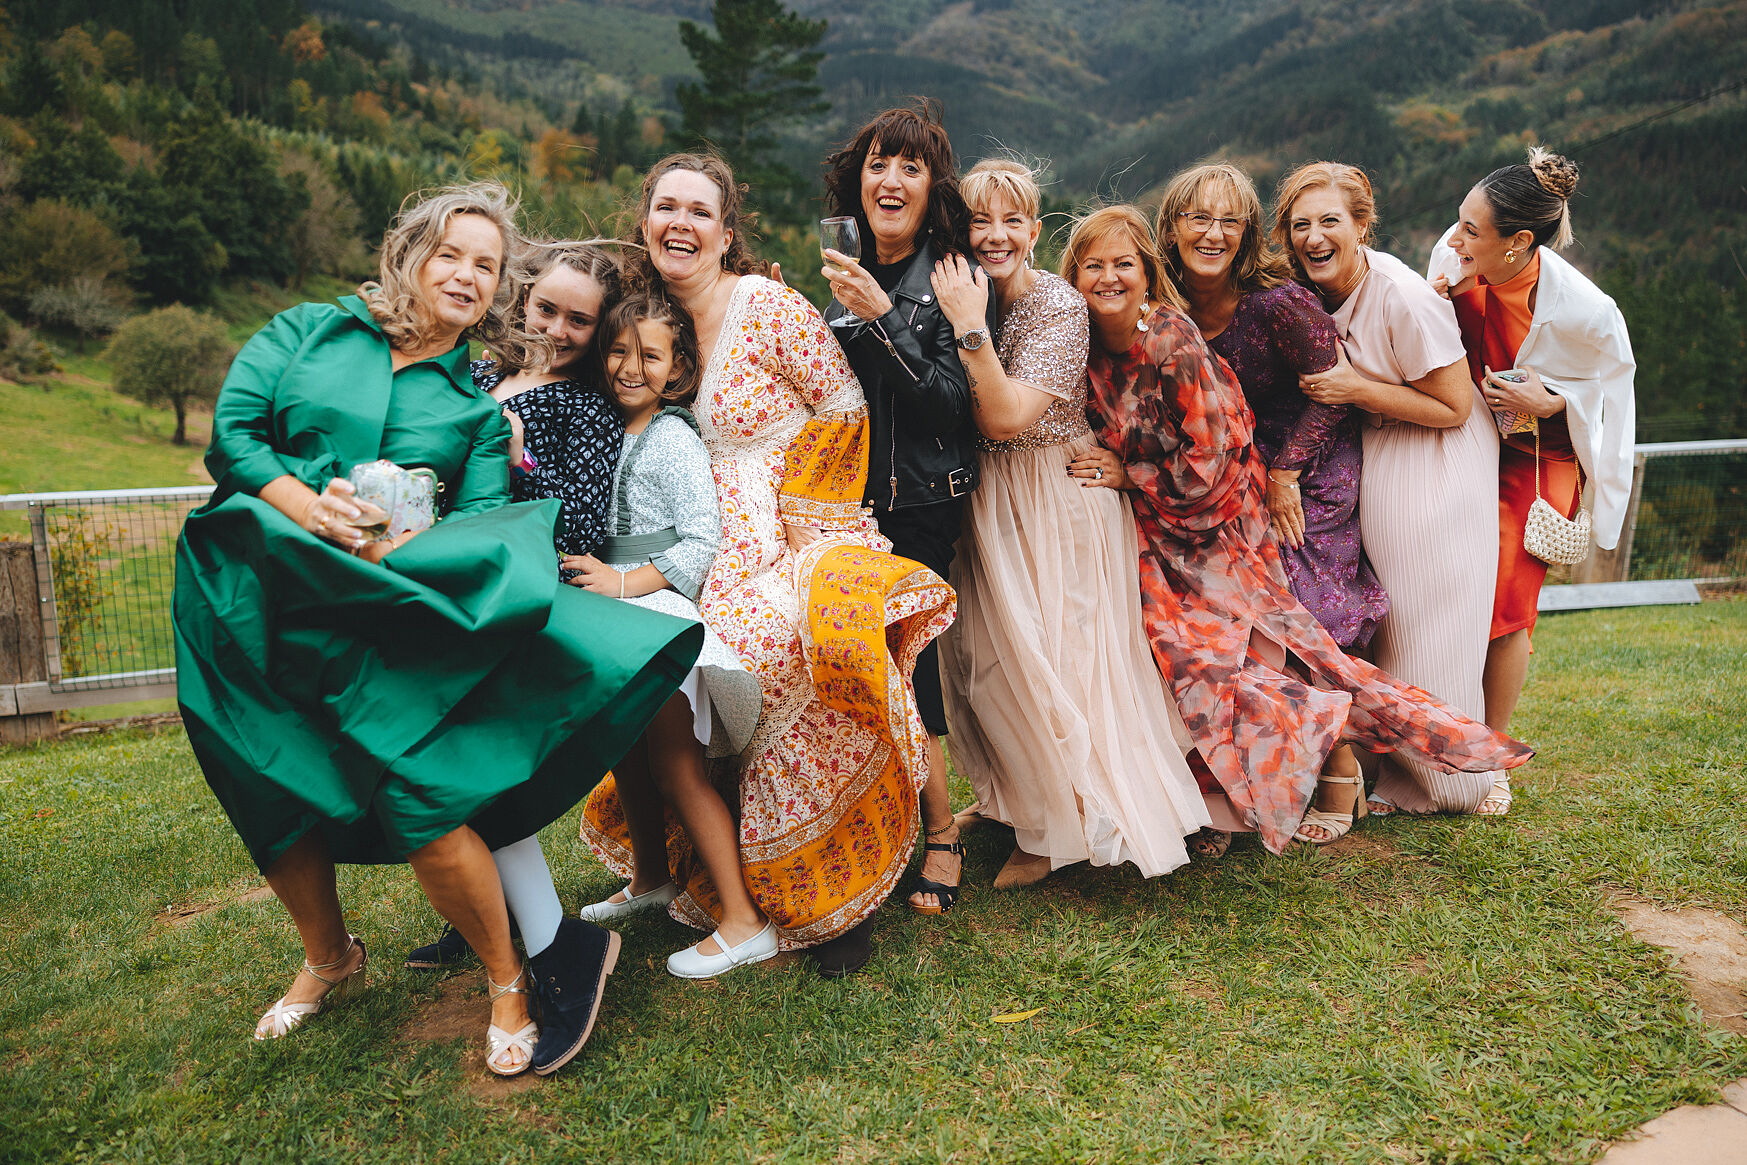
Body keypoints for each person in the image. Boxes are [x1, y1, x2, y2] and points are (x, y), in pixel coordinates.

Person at [172, 181, 701, 1076]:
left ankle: (508, 979)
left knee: (422, 796)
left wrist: (412, 542)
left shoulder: (474, 411)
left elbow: (488, 522)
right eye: (450, 253)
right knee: (268, 786)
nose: (465, 273)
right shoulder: (305, 331)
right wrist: (307, 505)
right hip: (249, 600)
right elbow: (235, 434)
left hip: (377, 623)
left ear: (498, 289)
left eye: (485, 264)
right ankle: (329, 958)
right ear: (409, 254)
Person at [579, 154, 954, 978]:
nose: (681, 223)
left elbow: (841, 404)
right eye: (665, 207)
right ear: (645, 222)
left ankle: (824, 896)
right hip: (699, 538)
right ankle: (692, 868)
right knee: (671, 664)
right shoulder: (642, 319)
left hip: (797, 524)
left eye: (699, 211)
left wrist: (808, 528)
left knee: (771, 648)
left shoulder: (767, 304)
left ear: (725, 232)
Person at [1063, 205, 1533, 855]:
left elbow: (1214, 461)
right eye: (1093, 266)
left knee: (1225, 660)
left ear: (1148, 273)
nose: (1109, 277)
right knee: (1187, 667)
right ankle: (1219, 804)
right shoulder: (1092, 342)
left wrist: (1131, 470)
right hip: (1160, 530)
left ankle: (1330, 755)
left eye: (1122, 264)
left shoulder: (1175, 341)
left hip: (1226, 525)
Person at [929, 159, 1209, 893]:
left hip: (1055, 490)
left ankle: (1062, 829)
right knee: (992, 662)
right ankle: (1014, 801)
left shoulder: (1056, 305)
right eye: (978, 220)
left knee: (1058, 661)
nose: (994, 235)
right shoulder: (962, 291)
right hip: (989, 496)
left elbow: (1008, 414)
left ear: (1033, 227)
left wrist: (965, 326)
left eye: (1012, 219)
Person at [404, 238, 627, 973]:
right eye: (546, 309)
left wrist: (519, 461)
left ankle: (549, 947)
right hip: (435, 583)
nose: (557, 330)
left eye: (579, 321)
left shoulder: (585, 408)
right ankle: (485, 916)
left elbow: (581, 529)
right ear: (523, 299)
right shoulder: (475, 372)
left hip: (514, 601)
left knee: (470, 764)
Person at [1156, 162, 1388, 846]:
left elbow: (1329, 389)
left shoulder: (1278, 302)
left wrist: (1286, 473)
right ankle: (1236, 786)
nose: (1214, 232)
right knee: (1220, 627)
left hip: (1306, 467)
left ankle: (1341, 773)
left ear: (1249, 232)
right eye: (1199, 217)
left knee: (1294, 620)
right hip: (1228, 479)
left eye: (1230, 220)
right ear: (1171, 226)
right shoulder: (1164, 305)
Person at [1274, 162, 1506, 817]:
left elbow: (1453, 405)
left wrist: (1354, 389)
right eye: (1300, 225)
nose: (1314, 236)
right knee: (1393, 622)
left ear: (1360, 225)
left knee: (1431, 622)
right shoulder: (1309, 290)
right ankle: (1399, 774)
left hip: (1438, 459)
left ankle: (1457, 780)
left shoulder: (1400, 294)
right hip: (1380, 452)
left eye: (1329, 221)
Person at [819, 101, 989, 916]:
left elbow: (947, 409)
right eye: (878, 163)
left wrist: (881, 320)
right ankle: (860, 818)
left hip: (918, 504)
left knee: (907, 666)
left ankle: (942, 838)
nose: (890, 179)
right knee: (848, 667)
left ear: (931, 189)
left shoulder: (953, 277)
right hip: (842, 508)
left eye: (909, 167)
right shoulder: (842, 268)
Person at [569, 289, 769, 978]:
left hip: (652, 613)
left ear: (676, 366)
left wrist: (621, 582)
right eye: (618, 351)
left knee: (677, 763)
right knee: (626, 751)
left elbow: (699, 541)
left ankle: (744, 920)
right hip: (608, 612)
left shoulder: (674, 438)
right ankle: (651, 875)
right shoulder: (601, 430)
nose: (630, 366)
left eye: (648, 354)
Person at [1430, 148, 1636, 812]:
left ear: (1517, 242)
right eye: (1458, 221)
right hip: (1468, 443)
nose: (1453, 238)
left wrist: (1553, 404)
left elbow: (1612, 398)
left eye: (1470, 229)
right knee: (1446, 582)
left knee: (1504, 605)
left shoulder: (1585, 310)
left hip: (1538, 461)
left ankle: (1492, 759)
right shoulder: (1454, 261)